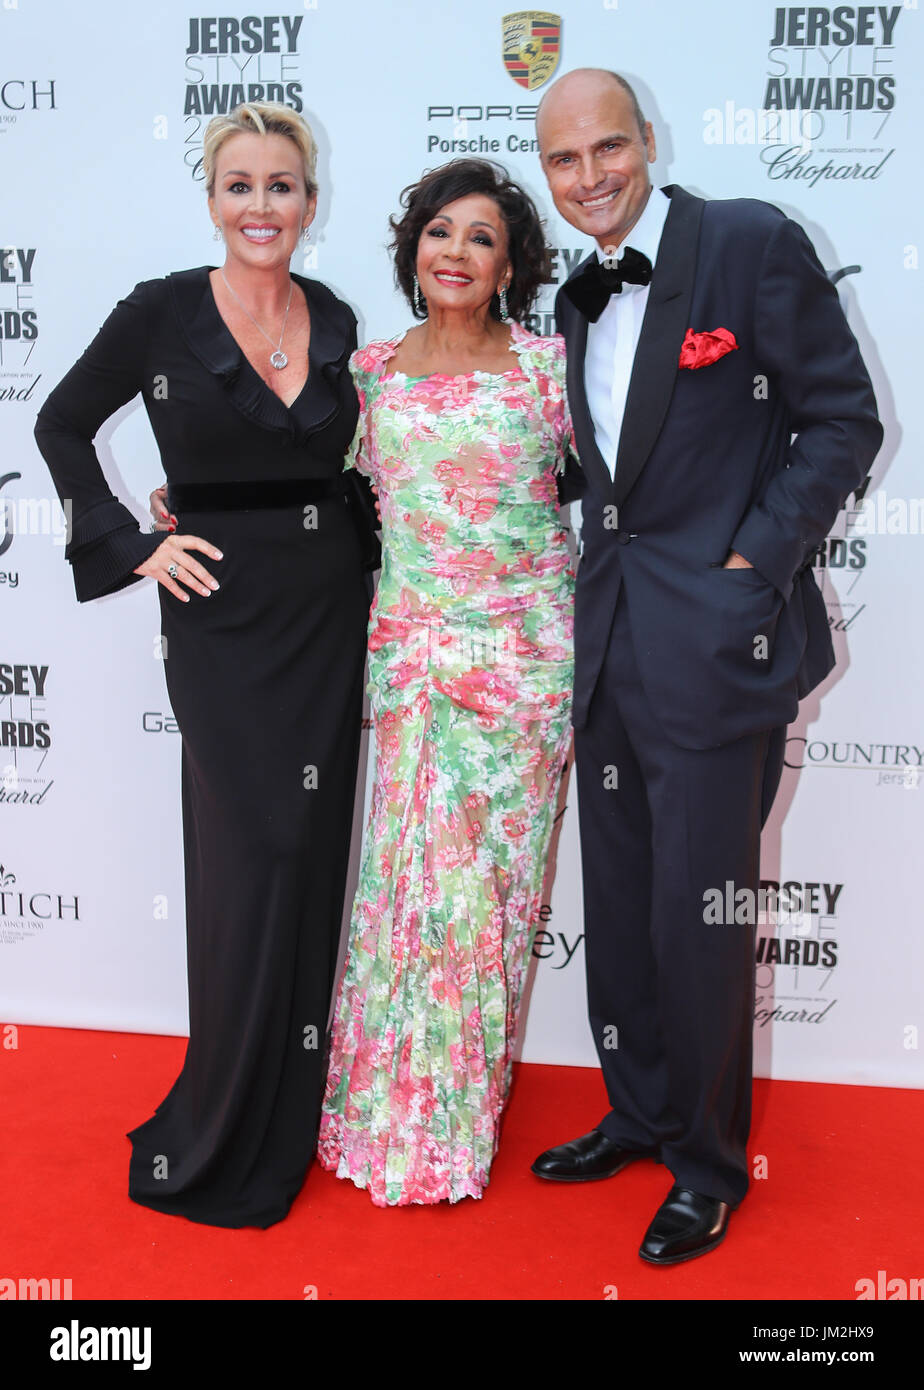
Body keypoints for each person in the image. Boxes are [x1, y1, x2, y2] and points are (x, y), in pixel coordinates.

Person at [529, 70, 883, 1262]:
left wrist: (753, 563)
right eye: (564, 162)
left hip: (718, 643)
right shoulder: (572, 297)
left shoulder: (745, 241)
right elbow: (610, 473)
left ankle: (709, 1163)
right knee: (623, 903)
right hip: (611, 641)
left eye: (607, 148)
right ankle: (638, 1109)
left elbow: (844, 418)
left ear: (647, 141)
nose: (590, 178)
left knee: (701, 913)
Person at [34, 102, 379, 1229]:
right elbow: (61, 423)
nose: (262, 206)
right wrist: (135, 543)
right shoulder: (162, 312)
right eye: (241, 185)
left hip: (328, 611)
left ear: (311, 203)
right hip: (222, 617)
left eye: (283, 186)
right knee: (252, 853)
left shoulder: (333, 315)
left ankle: (286, 1109)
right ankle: (219, 1115)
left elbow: (357, 469)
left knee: (313, 853)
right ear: (213, 198)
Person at [315, 159, 577, 1206]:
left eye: (480, 237)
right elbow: (303, 485)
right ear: (411, 250)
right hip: (415, 663)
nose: (455, 252)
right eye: (439, 232)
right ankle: (381, 1112)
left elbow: (635, 488)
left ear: (511, 263)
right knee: (404, 898)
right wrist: (184, 493)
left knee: (486, 904)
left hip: (523, 670)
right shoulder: (369, 374)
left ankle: (456, 1118)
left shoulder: (551, 371)